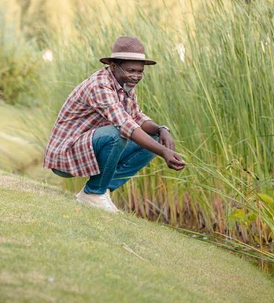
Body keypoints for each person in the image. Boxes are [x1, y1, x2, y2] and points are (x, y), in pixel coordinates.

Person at [43, 36, 186, 213]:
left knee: (153, 138)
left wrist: (161, 129)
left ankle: (100, 190)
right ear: (113, 66)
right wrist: (164, 152)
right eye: (130, 70)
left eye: (140, 71)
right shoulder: (100, 85)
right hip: (66, 155)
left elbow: (137, 117)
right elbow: (126, 125)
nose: (136, 76)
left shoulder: (125, 85)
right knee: (118, 133)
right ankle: (94, 192)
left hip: (88, 148)